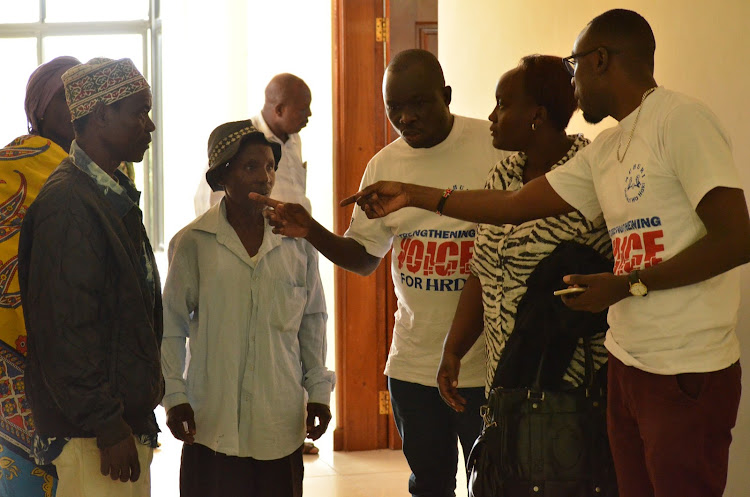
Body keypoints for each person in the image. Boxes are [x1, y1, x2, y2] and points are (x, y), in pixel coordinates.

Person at [344, 9, 749, 497]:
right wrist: (412, 193)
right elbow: (515, 206)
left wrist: (628, 285)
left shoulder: (679, 120)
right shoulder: (608, 148)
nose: (570, 80)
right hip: (629, 365)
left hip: (685, 366)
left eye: (574, 64)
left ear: (601, 60)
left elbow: (736, 238)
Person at [252, 49, 509, 497]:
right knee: (429, 485)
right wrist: (312, 231)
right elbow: (366, 256)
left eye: (420, 103)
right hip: (413, 365)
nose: (406, 118)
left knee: (495, 484)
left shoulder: (492, 146)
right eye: (395, 108)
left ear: (445, 96)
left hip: (486, 364)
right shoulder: (385, 164)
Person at [162, 120, 334, 497]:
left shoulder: (296, 244)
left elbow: (313, 321)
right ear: (224, 175)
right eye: (251, 167)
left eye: (270, 166)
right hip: (212, 424)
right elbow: (171, 326)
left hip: (279, 421)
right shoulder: (193, 243)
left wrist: (319, 391)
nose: (265, 177)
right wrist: (175, 397)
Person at [17, 57, 162, 497]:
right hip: (94, 435)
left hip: (113, 423)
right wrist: (108, 426)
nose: (150, 127)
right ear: (102, 116)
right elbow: (65, 332)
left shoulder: (105, 191)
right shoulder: (68, 205)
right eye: (140, 113)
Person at [437, 53, 611, 407]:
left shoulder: (591, 173)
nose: (491, 116)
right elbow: (481, 271)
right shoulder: (502, 175)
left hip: (570, 389)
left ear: (538, 115)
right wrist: (453, 349)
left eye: (502, 104)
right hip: (506, 382)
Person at [0, 55, 79, 497]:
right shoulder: (6, 168)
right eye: (67, 96)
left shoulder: (108, 170)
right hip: (14, 354)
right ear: (41, 108)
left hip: (84, 355)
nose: (80, 105)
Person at [194, 73, 313, 215]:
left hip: (297, 235)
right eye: (303, 109)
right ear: (279, 110)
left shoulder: (294, 140)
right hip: (259, 236)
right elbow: (207, 200)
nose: (309, 114)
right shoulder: (240, 140)